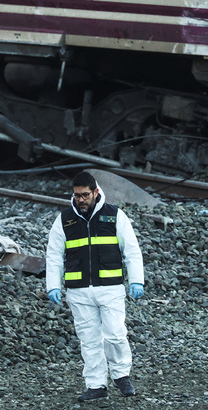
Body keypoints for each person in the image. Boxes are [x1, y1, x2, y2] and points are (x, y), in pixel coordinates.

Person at [45, 171, 145, 401]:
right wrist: (53, 285)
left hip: (110, 288)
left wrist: (136, 279)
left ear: (96, 192)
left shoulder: (115, 216)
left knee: (115, 335)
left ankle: (121, 376)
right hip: (78, 290)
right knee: (89, 340)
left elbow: (131, 250)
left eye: (85, 195)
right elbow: (54, 255)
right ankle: (96, 385)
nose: (81, 200)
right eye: (77, 195)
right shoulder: (64, 219)